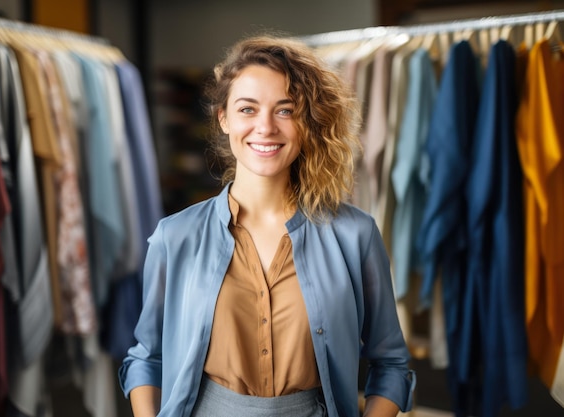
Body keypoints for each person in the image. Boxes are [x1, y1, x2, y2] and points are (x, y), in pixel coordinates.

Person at [118, 34, 415, 417]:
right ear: (224, 118)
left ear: (306, 123)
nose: (266, 127)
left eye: (285, 110)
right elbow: (146, 357)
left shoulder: (355, 235)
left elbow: (390, 364)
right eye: (247, 109)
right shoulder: (175, 236)